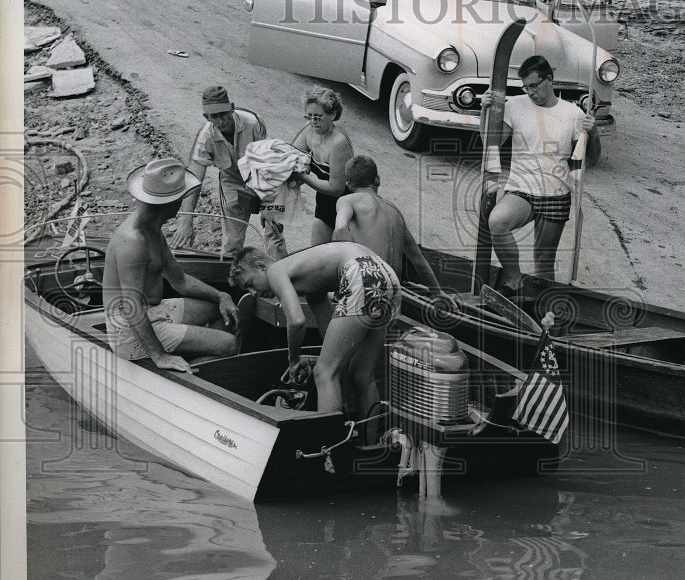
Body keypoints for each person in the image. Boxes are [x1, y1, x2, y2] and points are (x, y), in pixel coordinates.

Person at [228, 242, 401, 420]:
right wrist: (317, 358)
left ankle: (327, 445)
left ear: (261, 266)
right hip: (387, 277)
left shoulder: (275, 271)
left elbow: (296, 321)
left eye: (250, 283)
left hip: (361, 273)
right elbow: (330, 339)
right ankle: (369, 444)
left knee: (324, 374)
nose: (253, 293)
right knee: (362, 375)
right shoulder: (310, 282)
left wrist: (293, 359)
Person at [103, 158, 240, 372]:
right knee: (230, 344)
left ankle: (195, 358)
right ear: (169, 203)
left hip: (156, 310)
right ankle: (189, 379)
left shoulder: (152, 230)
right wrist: (159, 356)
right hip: (128, 330)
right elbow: (131, 307)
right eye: (181, 198)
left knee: (221, 310)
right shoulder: (133, 241)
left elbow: (180, 280)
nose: (182, 203)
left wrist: (220, 295)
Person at [481, 54, 600, 288]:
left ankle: (544, 315)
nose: (530, 92)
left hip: (556, 193)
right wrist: (484, 112)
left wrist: (593, 133)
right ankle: (514, 279)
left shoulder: (573, 114)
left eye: (534, 85)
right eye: (526, 87)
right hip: (521, 190)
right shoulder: (514, 106)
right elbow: (490, 145)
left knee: (544, 262)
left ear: (549, 80)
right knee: (497, 222)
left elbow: (592, 159)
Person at [169, 85, 286, 261]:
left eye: (224, 114)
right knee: (232, 241)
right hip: (232, 179)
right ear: (207, 117)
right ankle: (233, 279)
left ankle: (280, 273)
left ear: (231, 108)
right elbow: (194, 182)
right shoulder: (205, 137)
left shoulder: (252, 123)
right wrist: (186, 221)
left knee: (274, 228)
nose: (221, 120)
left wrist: (267, 206)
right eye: (215, 117)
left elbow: (269, 164)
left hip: (262, 174)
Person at [334, 155, 457, 308]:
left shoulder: (347, 201)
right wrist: (437, 293)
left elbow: (340, 228)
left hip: (367, 286)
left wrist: (347, 276)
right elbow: (417, 258)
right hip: (393, 293)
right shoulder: (395, 211)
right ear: (377, 180)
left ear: (349, 184)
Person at [291, 87, 354, 246]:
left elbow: (336, 188)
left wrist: (303, 177)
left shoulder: (339, 143)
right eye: (309, 116)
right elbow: (292, 156)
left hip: (346, 206)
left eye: (318, 117)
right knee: (315, 253)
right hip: (324, 201)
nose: (312, 122)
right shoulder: (310, 130)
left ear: (332, 115)